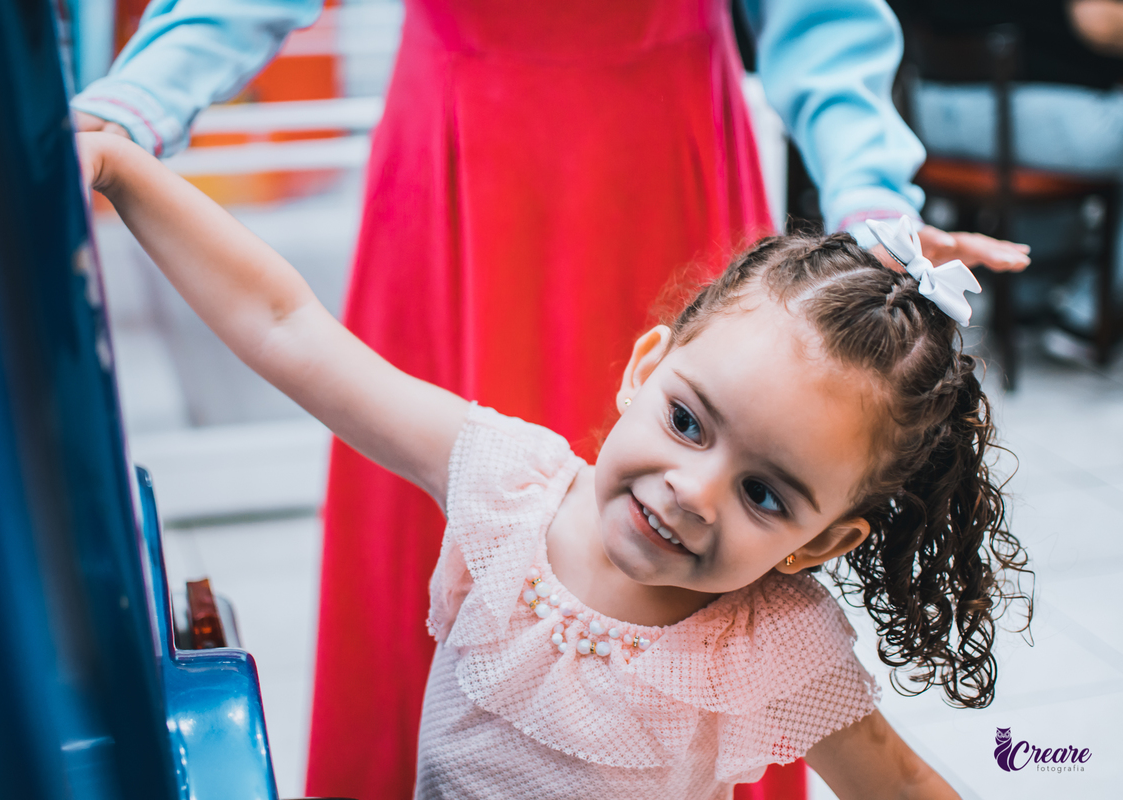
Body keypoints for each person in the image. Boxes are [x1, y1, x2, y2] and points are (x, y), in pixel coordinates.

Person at [73, 3, 1030, 797]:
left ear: (823, 543)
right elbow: (285, 324)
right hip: (465, 145)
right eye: (687, 421)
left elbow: (898, 783)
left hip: (660, 141)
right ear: (644, 365)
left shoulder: (777, 643)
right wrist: (121, 145)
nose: (694, 492)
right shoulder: (501, 488)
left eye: (766, 495)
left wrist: (871, 201)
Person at [892, 0, 1123, 359]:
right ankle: (1089, 310)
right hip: (996, 108)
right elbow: (1096, 20)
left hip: (922, 103)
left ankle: (1028, 295)